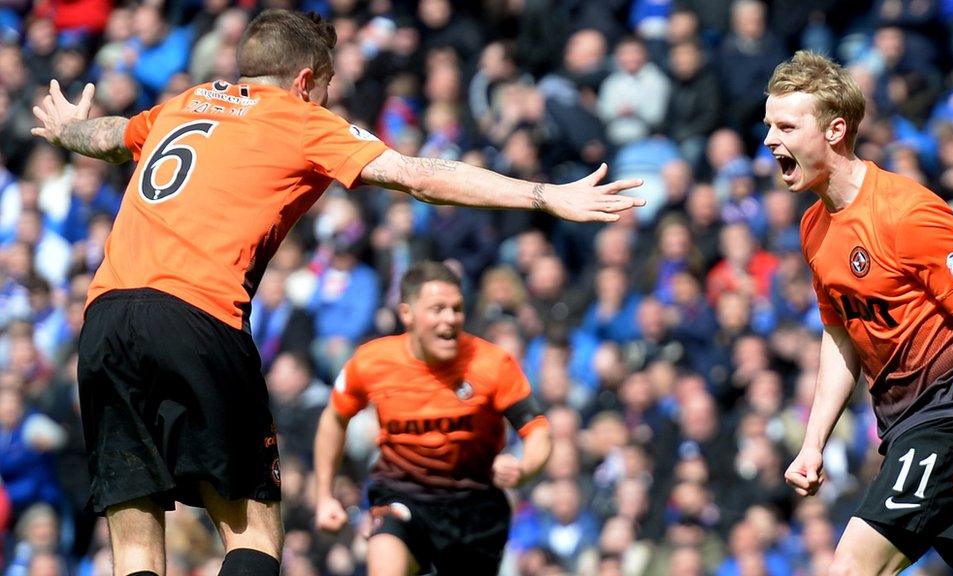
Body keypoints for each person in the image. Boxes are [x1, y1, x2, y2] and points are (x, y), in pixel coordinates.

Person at [29, 10, 638, 576]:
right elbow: (418, 175)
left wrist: (66, 130)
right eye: (328, 85)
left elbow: (111, 136)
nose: (329, 99)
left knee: (134, 536)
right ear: (303, 80)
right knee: (254, 527)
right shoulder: (299, 119)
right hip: (197, 313)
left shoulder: (185, 104)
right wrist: (543, 195)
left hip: (105, 318)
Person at [767, 50, 953, 575]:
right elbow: (841, 336)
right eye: (769, 125)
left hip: (949, 421)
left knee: (852, 570)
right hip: (904, 426)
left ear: (835, 130)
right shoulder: (814, 228)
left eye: (786, 126)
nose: (770, 140)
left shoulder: (907, 210)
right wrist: (813, 443)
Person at [313, 261, 552, 575]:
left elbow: (537, 430)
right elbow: (334, 419)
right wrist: (324, 496)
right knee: (385, 554)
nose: (450, 319)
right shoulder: (372, 362)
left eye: (457, 309)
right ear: (407, 314)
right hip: (402, 496)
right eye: (437, 309)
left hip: (475, 510)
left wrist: (523, 469)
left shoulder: (493, 364)